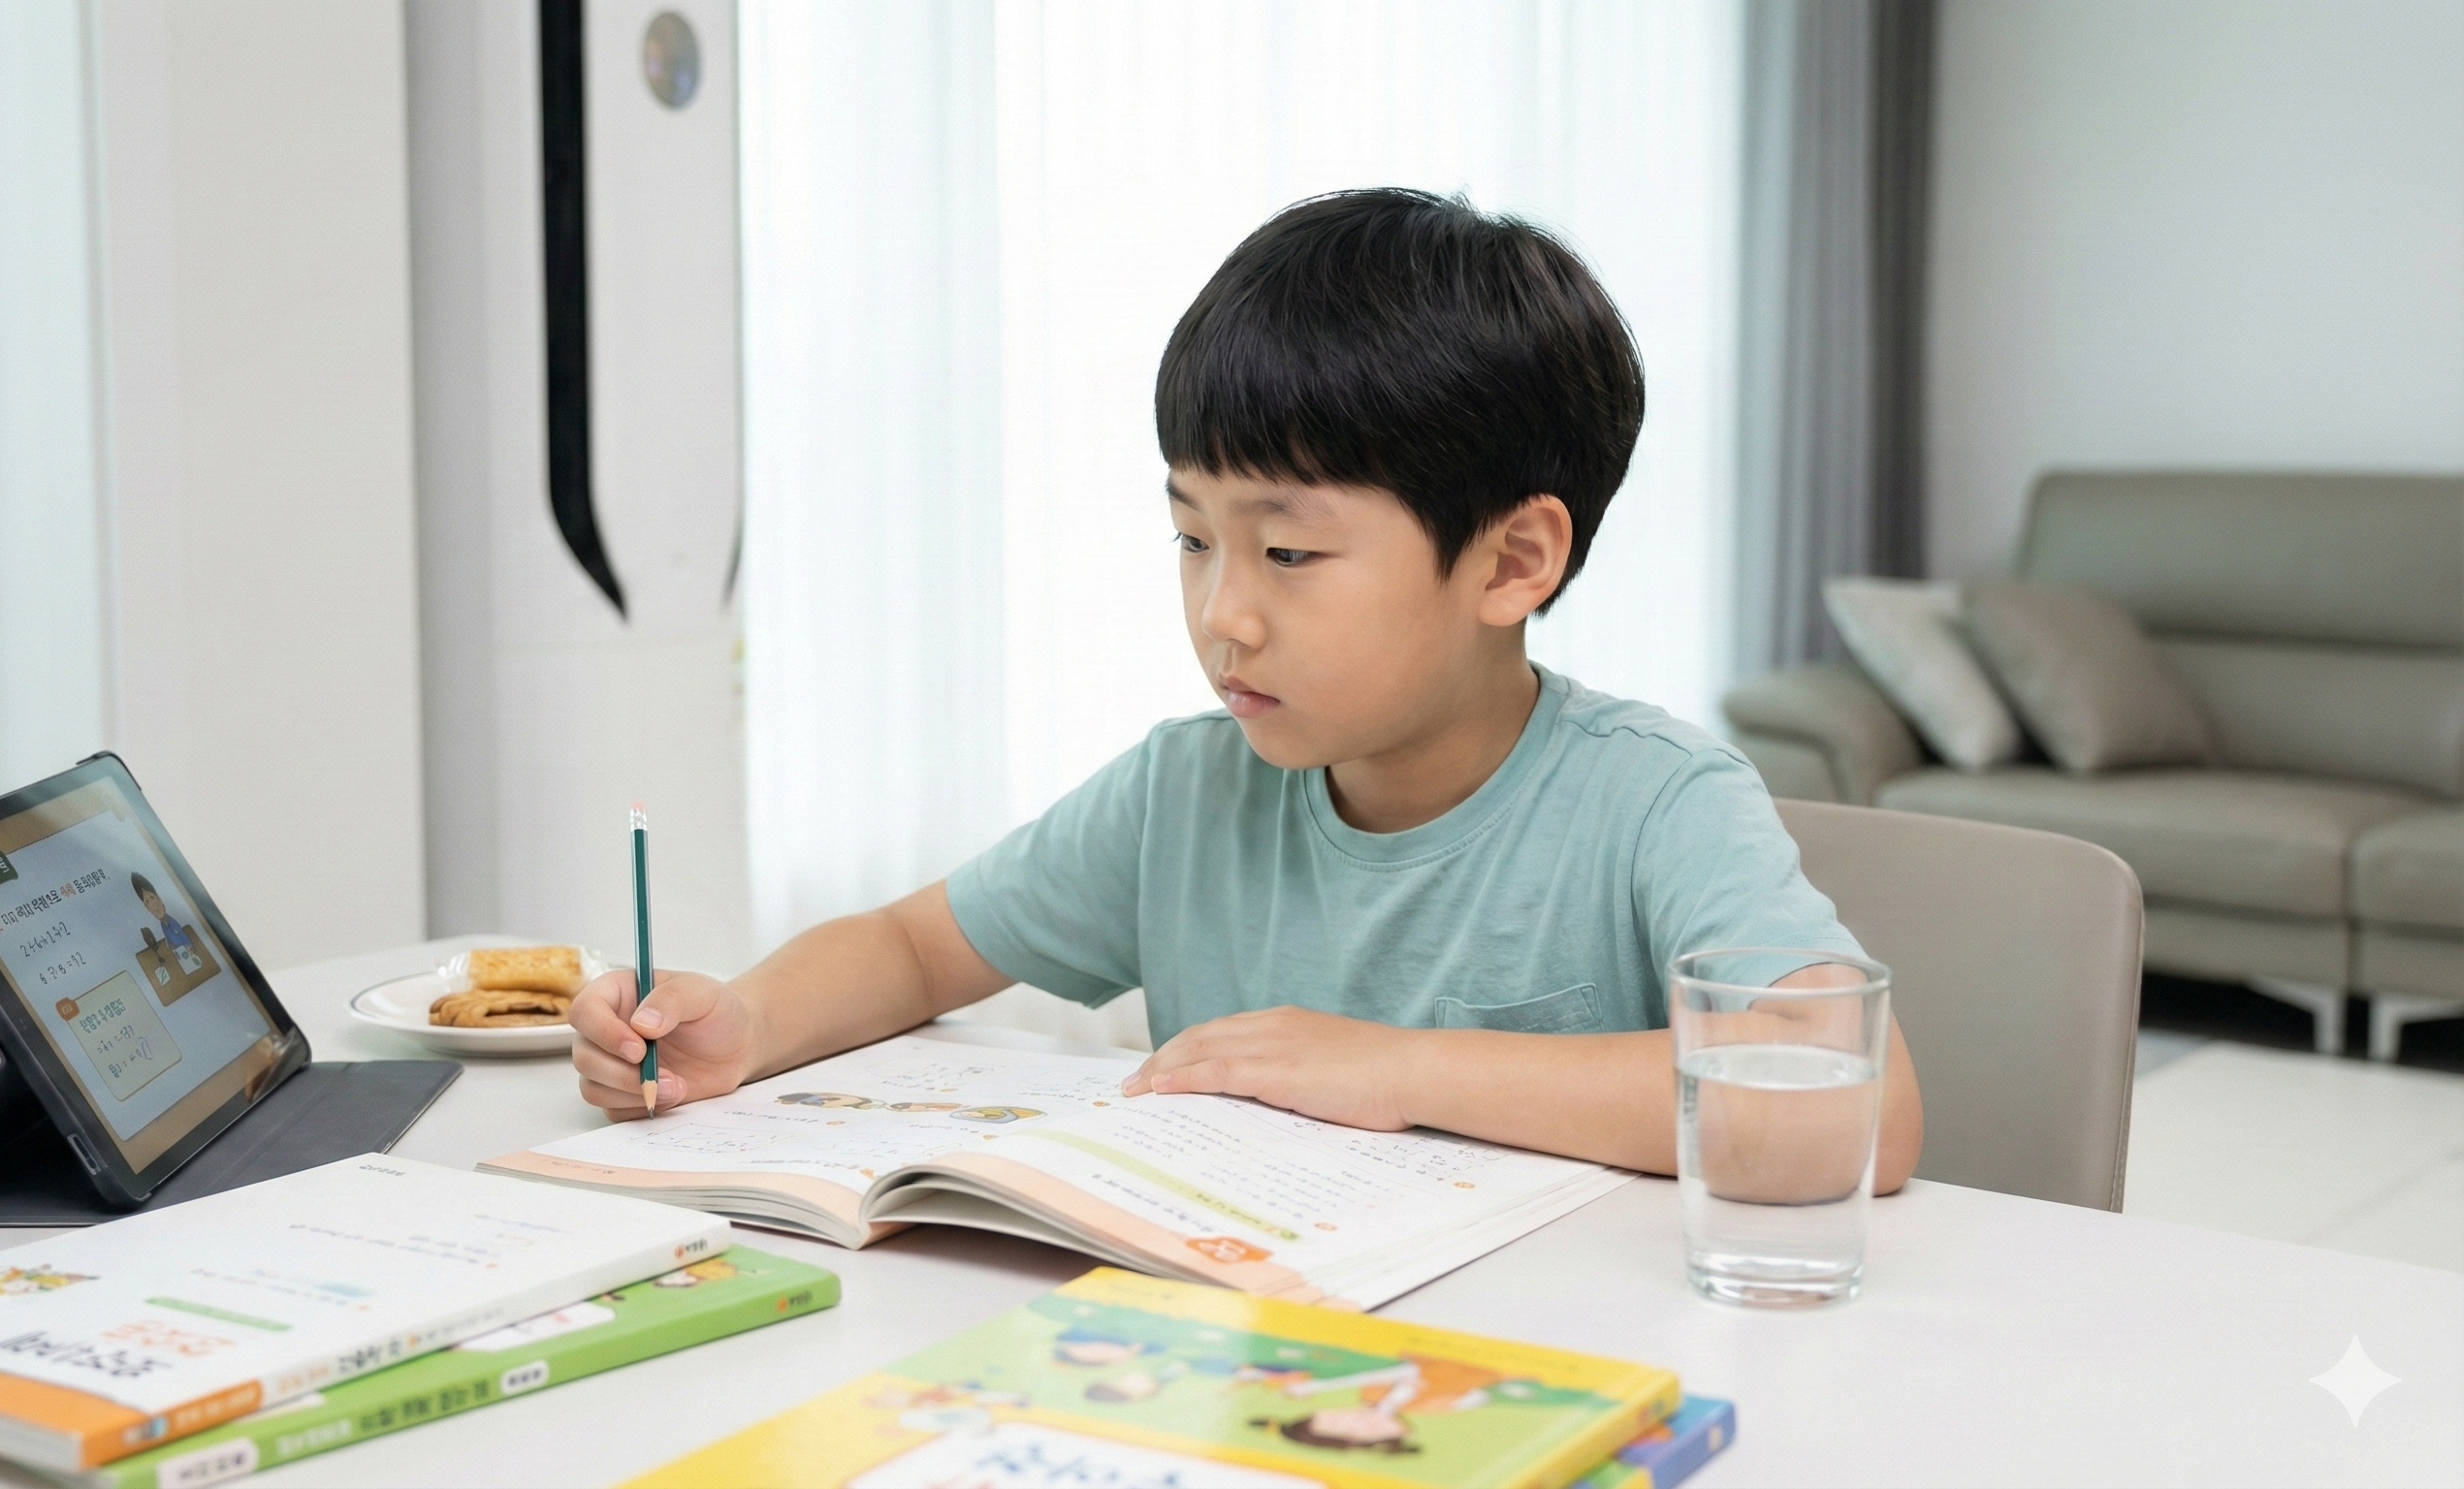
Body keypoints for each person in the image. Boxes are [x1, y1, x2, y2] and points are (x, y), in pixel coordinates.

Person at [569, 188, 1921, 1187]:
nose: (1223, 614)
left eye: (1288, 553)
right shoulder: (1188, 791)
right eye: (1192, 539)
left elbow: (1855, 1101)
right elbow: (914, 948)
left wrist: (1394, 1066)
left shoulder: (1656, 802)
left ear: (1513, 560)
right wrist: (747, 1022)